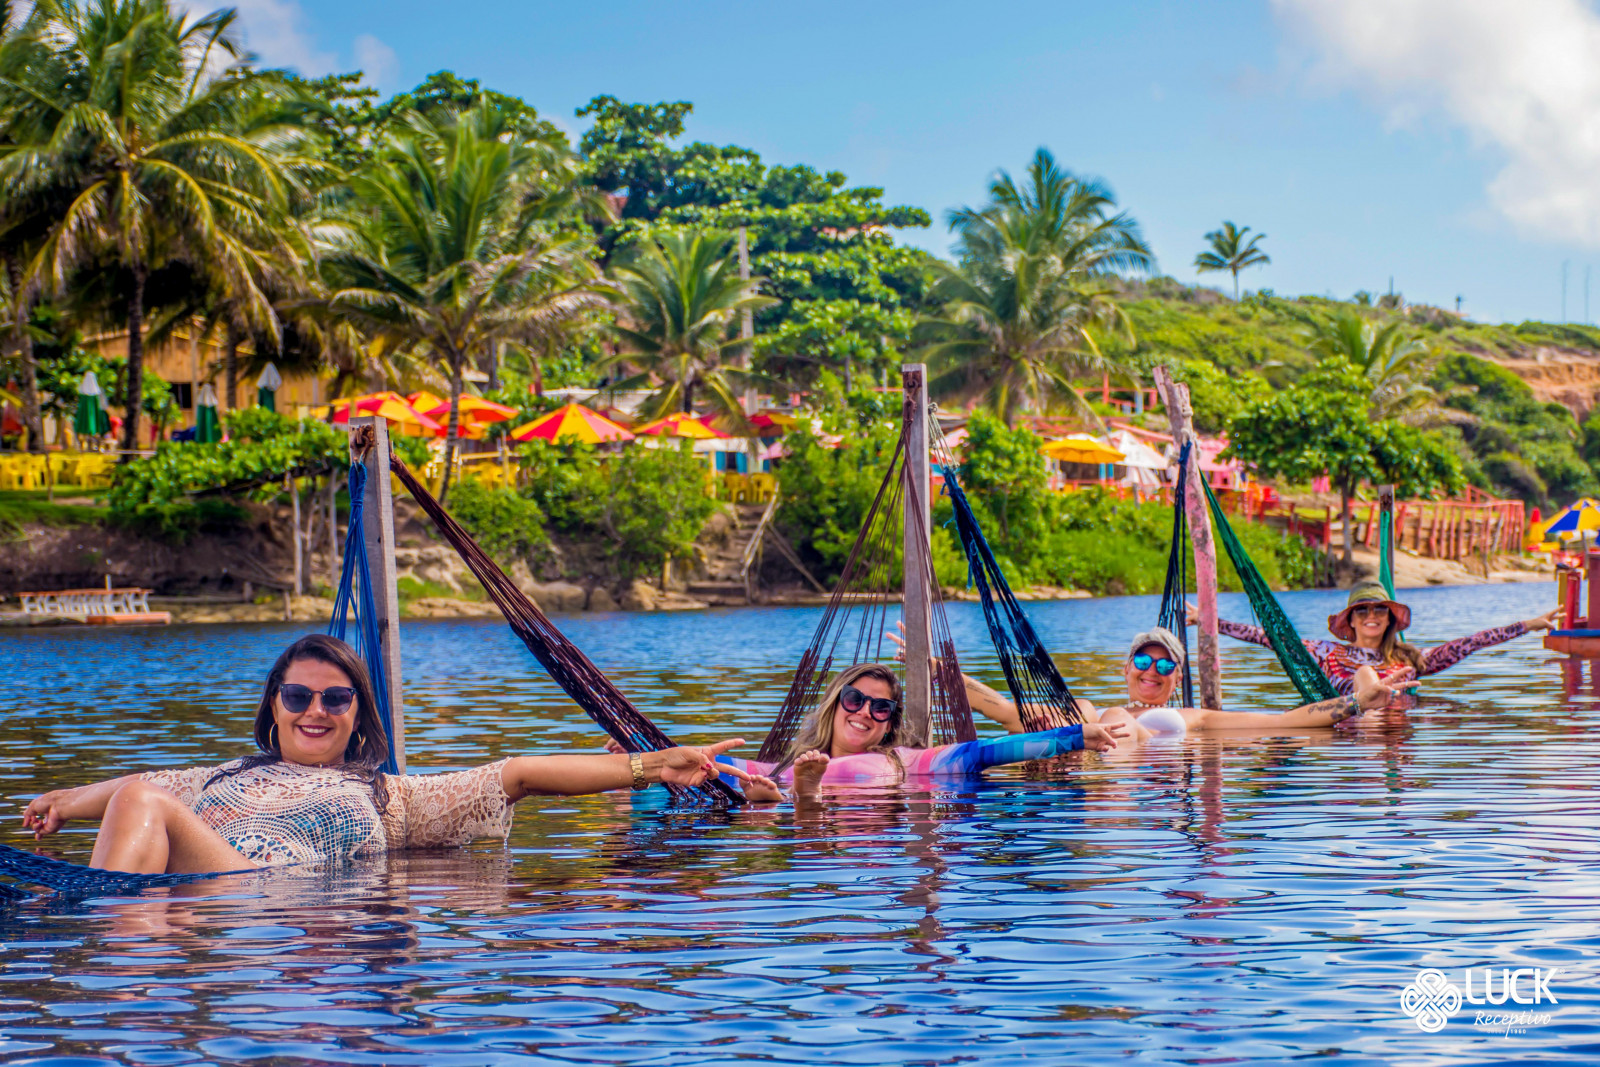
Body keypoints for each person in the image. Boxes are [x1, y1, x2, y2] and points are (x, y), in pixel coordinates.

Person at [21, 634, 757, 875]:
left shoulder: (391, 796)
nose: (314, 711)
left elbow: (521, 773)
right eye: (298, 696)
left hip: (253, 897)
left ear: (357, 715)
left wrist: (651, 764)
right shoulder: (218, 774)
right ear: (273, 705)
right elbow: (137, 781)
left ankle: (110, 954)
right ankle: (119, 952)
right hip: (185, 902)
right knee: (141, 799)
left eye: (335, 699)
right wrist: (60, 801)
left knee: (141, 805)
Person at [719, 663, 1129, 802]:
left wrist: (1075, 736)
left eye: (881, 708)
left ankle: (806, 799)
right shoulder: (779, 767)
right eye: (854, 699)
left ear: (889, 725)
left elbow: (985, 752)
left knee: (781, 796)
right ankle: (799, 799)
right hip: (790, 794)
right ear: (835, 703)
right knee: (764, 796)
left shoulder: (903, 760)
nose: (865, 712)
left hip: (863, 821)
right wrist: (660, 761)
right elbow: (714, 764)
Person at [951, 628, 1407, 743]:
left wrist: (1357, 702)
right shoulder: (1087, 710)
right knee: (1099, 714)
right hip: (1097, 772)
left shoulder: (1195, 718)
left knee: (1109, 720)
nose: (1152, 670)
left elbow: (1286, 722)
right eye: (1144, 661)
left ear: (1177, 679)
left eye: (1164, 665)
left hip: (1144, 786)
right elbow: (1009, 714)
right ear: (1126, 668)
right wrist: (944, 670)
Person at [1201, 583, 1560, 694]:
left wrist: (1528, 625)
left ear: (1389, 620)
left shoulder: (1411, 659)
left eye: (1379, 611)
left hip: (1398, 730)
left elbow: (1471, 642)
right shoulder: (1324, 651)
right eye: (1363, 611)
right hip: (1352, 721)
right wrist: (1211, 621)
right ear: (1351, 621)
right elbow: (1268, 636)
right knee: (1364, 684)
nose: (1372, 617)